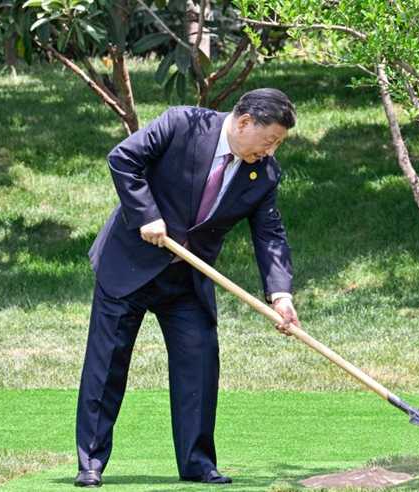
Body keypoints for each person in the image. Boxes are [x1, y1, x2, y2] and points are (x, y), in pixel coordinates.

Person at [75, 88, 299, 487]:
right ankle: (90, 462)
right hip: (129, 263)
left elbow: (270, 235)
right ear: (245, 121)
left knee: (199, 361)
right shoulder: (182, 124)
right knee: (108, 363)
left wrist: (281, 295)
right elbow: (123, 158)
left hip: (187, 279)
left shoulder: (263, 173)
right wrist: (146, 214)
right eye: (269, 140)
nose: (270, 151)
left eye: (278, 144)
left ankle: (197, 462)